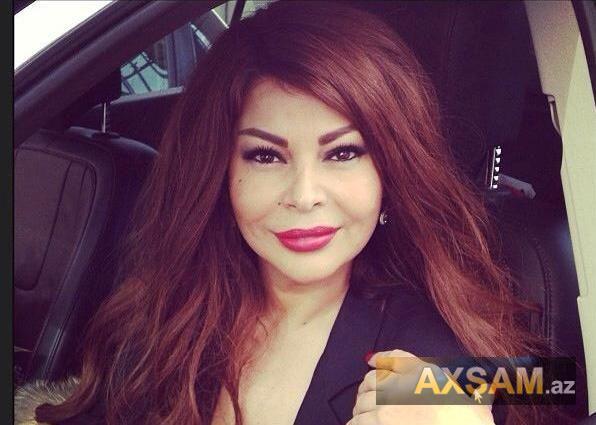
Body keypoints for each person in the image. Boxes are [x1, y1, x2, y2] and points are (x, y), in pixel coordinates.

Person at [18, 1, 569, 424]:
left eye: (344, 153)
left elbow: (549, 383)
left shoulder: (424, 361)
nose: (304, 195)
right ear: (220, 172)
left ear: (390, 171)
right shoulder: (172, 303)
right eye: (265, 155)